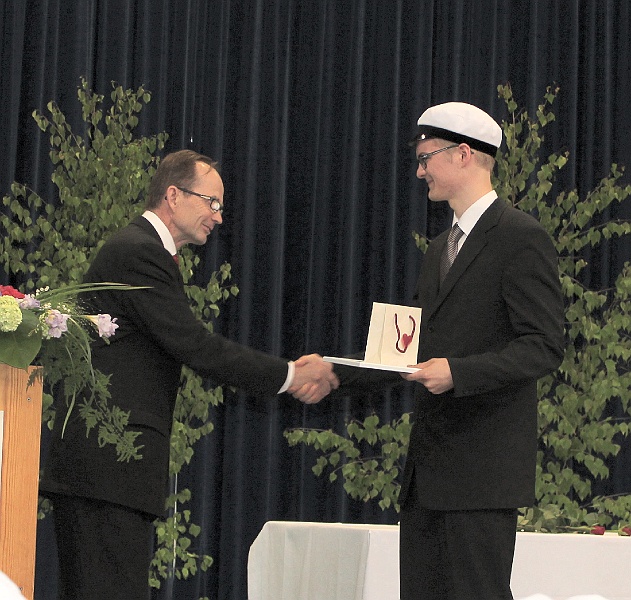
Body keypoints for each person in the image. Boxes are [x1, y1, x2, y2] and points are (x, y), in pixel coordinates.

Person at [40, 149, 339, 600]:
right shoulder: (139, 252)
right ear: (173, 195)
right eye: (211, 202)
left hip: (106, 476)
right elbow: (196, 346)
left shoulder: (140, 250)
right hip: (107, 472)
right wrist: (291, 374)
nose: (219, 217)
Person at [296, 102, 565, 599]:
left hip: (481, 476)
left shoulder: (520, 237)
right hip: (428, 475)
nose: (420, 171)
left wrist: (458, 373)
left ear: (463, 155)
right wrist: (334, 370)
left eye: (426, 158)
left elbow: (544, 346)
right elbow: (409, 348)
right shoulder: (441, 246)